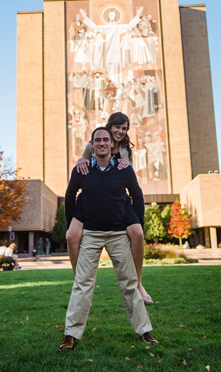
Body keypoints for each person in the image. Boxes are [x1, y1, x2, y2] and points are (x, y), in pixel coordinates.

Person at [58, 127, 157, 351]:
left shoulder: (123, 168)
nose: (102, 143)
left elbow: (137, 195)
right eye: (97, 140)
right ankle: (71, 334)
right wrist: (72, 220)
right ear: (92, 145)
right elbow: (70, 195)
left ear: (112, 144)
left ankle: (144, 331)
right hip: (91, 234)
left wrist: (137, 222)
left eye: (106, 140)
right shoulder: (82, 169)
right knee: (82, 284)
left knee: (129, 283)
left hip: (118, 234)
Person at [66, 111, 152, 304]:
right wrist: (81, 161)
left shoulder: (125, 149)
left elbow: (130, 181)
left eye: (124, 129)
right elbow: (82, 164)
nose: (120, 131)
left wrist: (138, 217)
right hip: (92, 200)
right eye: (117, 127)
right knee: (71, 236)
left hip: (119, 200)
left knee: (137, 233)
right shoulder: (96, 142)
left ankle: (138, 283)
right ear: (109, 126)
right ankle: (78, 280)